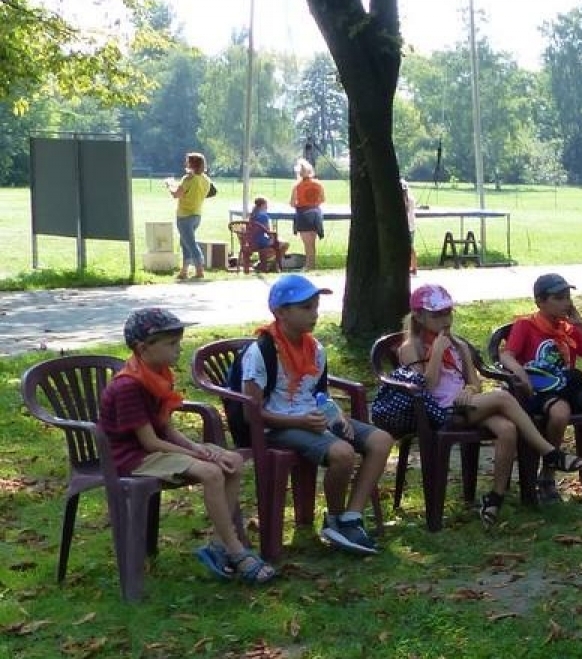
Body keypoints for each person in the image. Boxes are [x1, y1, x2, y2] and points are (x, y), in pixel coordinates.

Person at [391, 284, 582, 524]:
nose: (445, 319)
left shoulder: (459, 346)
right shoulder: (410, 348)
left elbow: (475, 383)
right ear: (419, 317)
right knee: (503, 397)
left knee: (507, 429)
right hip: (435, 412)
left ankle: (495, 498)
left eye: (448, 313)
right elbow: (426, 388)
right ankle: (550, 453)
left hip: (466, 406)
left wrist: (468, 389)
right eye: (437, 315)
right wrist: (435, 354)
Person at [100, 308, 268, 582]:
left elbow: (166, 428)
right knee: (212, 471)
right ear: (143, 348)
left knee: (233, 462)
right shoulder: (129, 386)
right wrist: (197, 455)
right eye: (171, 344)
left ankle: (218, 545)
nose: (179, 349)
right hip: (132, 458)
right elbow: (150, 442)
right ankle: (236, 548)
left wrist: (201, 448)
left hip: (153, 452)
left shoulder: (158, 375)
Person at [245, 274, 394, 556]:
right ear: (280, 313)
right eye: (306, 308)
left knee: (381, 440)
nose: (314, 314)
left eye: (315, 306)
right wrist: (299, 421)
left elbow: (319, 394)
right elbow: (252, 412)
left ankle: (352, 516)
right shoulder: (261, 352)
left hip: (311, 418)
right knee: (342, 453)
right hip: (278, 426)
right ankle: (335, 519)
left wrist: (335, 413)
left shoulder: (316, 349)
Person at [500, 273, 582, 502]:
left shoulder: (568, 328)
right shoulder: (525, 325)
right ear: (540, 301)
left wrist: (580, 322)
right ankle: (547, 474)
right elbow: (507, 356)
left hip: (570, 384)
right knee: (560, 413)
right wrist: (520, 374)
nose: (566, 302)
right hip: (543, 388)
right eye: (559, 297)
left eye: (568, 297)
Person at [165, 152, 213, 281]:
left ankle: (199, 270)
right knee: (184, 242)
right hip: (197, 215)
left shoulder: (187, 179)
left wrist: (169, 184)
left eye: (187, 161)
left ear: (191, 164)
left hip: (184, 216)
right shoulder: (206, 180)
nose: (185, 163)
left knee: (190, 243)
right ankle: (184, 271)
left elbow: (177, 194)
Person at [290, 157, 326, 272]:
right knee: (313, 242)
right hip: (316, 213)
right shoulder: (318, 184)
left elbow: (292, 203)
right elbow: (323, 199)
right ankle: (312, 264)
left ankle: (308, 266)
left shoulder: (297, 186)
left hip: (303, 213)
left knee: (307, 243)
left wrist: (299, 204)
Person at [242, 196, 286, 273]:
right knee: (283, 244)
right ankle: (273, 264)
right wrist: (274, 238)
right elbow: (268, 232)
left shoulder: (252, 215)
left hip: (250, 242)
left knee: (273, 244)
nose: (267, 207)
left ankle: (264, 263)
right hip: (260, 242)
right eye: (266, 205)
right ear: (262, 205)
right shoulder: (264, 216)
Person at [401, 179, 419, 276]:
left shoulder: (409, 200)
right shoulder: (409, 200)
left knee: (409, 248)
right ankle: (411, 267)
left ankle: (413, 267)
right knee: (408, 248)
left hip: (408, 227)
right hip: (408, 227)